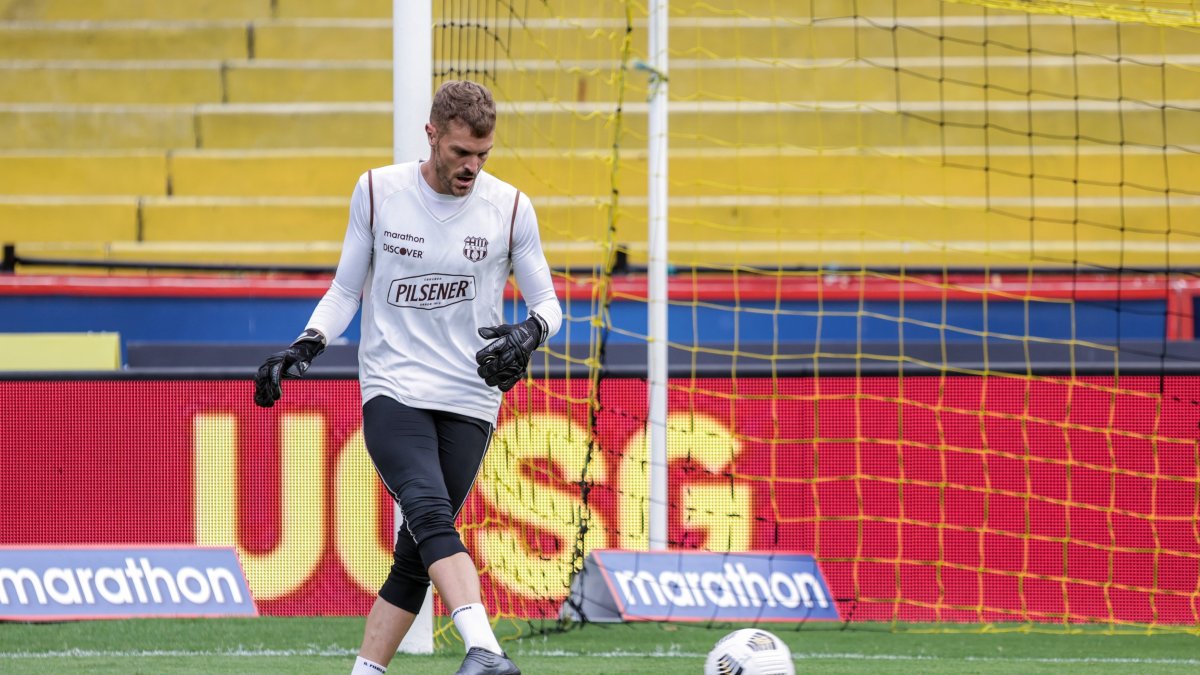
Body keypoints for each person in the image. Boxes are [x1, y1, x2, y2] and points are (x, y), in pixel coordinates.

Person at [253, 80, 560, 675]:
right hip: (392, 385)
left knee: (416, 555)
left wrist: (529, 333)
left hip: (472, 394)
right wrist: (307, 344)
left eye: (483, 155)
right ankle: (487, 652)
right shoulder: (377, 192)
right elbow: (347, 289)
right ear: (432, 135)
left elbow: (548, 305)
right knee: (428, 509)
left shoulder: (511, 208)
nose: (472, 167)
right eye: (460, 154)